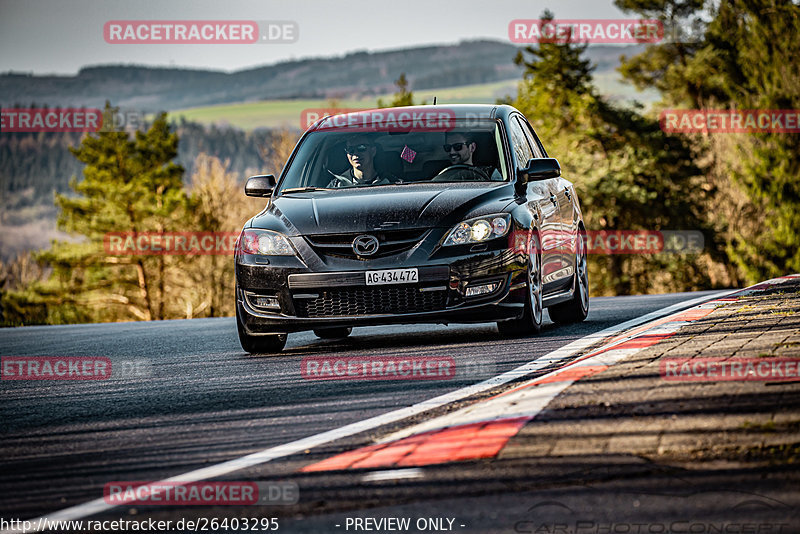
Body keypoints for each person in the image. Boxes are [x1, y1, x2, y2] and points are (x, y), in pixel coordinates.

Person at [327, 135, 394, 187]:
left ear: (373, 151)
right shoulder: (336, 186)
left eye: (361, 148)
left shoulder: (391, 183)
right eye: (350, 149)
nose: (355, 153)